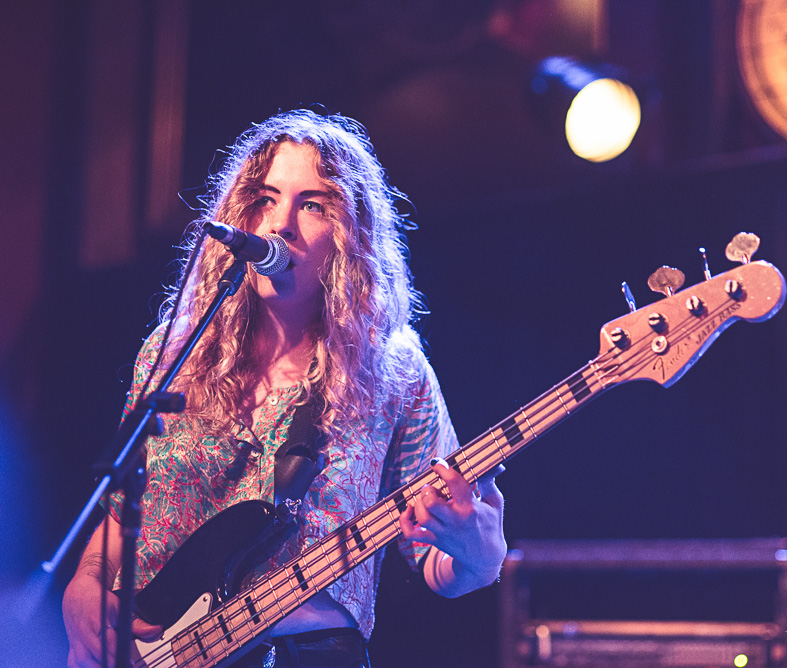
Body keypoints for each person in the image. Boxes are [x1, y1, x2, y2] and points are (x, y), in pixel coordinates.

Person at [62, 110, 507, 668]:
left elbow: (435, 558)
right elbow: (125, 506)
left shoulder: (393, 370)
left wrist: (479, 550)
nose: (280, 224)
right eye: (266, 199)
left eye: (313, 205)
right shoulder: (173, 352)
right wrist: (84, 582)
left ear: (350, 237)